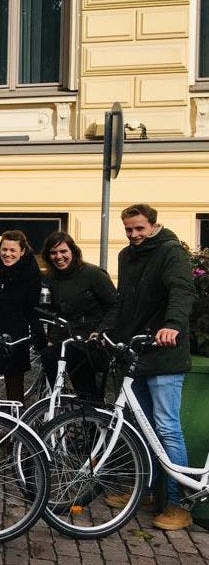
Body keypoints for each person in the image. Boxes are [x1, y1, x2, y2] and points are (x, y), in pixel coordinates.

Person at [103, 204, 196, 531]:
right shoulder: (127, 256)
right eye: (129, 229)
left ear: (154, 225)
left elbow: (182, 291)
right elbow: (125, 303)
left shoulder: (171, 253)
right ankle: (144, 490)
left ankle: (178, 504)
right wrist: (108, 333)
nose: (134, 235)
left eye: (140, 229)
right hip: (138, 353)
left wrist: (172, 325)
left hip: (165, 352)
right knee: (140, 428)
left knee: (167, 427)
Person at [40, 231, 117, 400]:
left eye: (63, 251)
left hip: (90, 343)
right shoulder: (51, 279)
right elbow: (53, 312)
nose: (58, 256)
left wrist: (101, 331)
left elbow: (115, 306)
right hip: (66, 340)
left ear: (73, 252)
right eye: (53, 253)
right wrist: (51, 337)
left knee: (88, 394)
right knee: (47, 356)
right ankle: (61, 409)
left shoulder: (93, 274)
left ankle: (93, 421)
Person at [0, 230, 43, 405]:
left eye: (13, 250)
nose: (7, 254)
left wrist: (38, 335)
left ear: (22, 252)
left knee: (15, 390)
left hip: (16, 337)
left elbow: (33, 308)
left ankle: (16, 426)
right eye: (4, 249)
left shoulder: (30, 273)